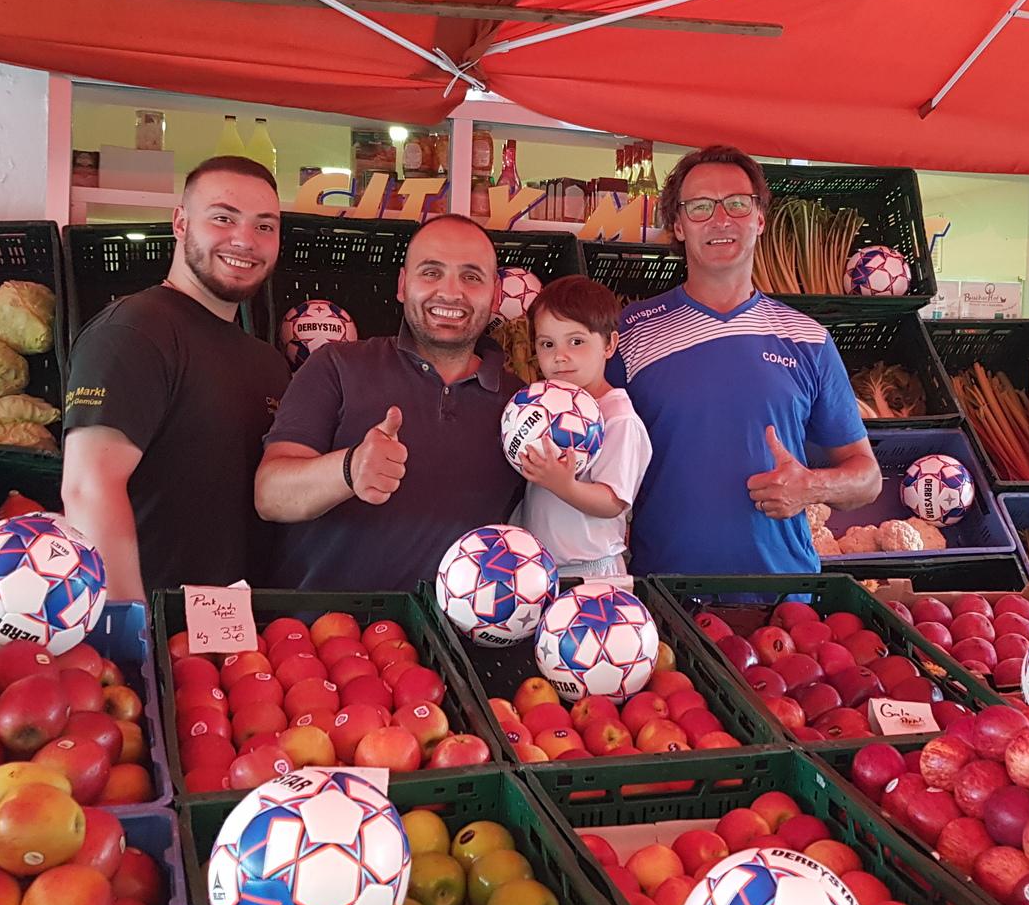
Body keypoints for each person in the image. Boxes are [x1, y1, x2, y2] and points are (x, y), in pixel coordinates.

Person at [609, 145, 880, 574]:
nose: (720, 219)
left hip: (785, 601)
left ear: (759, 218)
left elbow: (867, 478)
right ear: (678, 225)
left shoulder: (808, 339)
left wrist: (811, 485)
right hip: (664, 594)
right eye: (700, 207)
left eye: (737, 204)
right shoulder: (631, 332)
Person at [62, 155, 290, 599]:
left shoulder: (267, 361)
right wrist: (131, 629)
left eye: (265, 226)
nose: (244, 240)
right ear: (181, 224)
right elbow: (88, 488)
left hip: (239, 635)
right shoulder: (134, 332)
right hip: (157, 631)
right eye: (224, 218)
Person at [255, 214, 522, 591]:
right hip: (318, 640)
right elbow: (270, 495)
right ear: (402, 284)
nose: (450, 292)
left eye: (471, 276)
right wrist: (350, 468)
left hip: (451, 644)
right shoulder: (336, 365)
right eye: (431, 272)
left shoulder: (523, 406)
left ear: (496, 294)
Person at [513, 276, 652, 577]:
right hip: (542, 569)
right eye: (547, 344)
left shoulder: (618, 418)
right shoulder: (544, 406)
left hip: (592, 571)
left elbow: (614, 501)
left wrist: (566, 486)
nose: (560, 356)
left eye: (576, 341)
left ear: (609, 344)